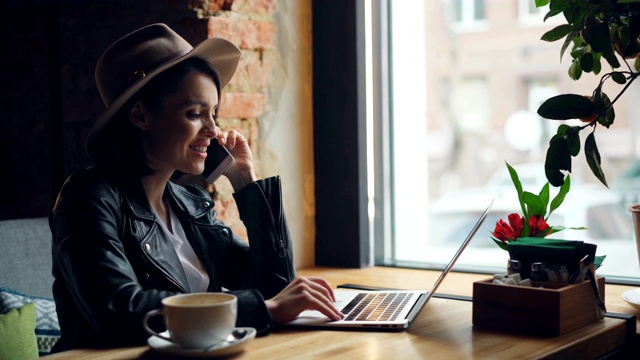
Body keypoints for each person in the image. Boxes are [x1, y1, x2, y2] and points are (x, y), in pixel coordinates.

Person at [49, 23, 343, 352]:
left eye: (214, 113)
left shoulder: (191, 204)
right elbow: (119, 310)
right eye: (195, 114)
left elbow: (275, 286)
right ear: (139, 115)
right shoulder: (87, 197)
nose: (214, 131)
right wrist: (264, 310)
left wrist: (246, 183)